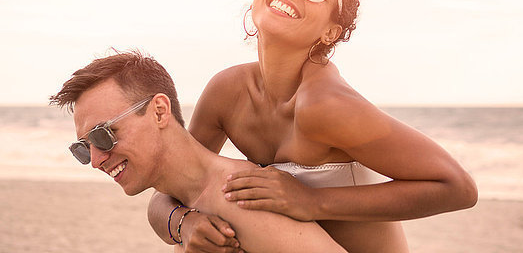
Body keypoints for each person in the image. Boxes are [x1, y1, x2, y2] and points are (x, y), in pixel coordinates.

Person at [148, 0, 478, 252]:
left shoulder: (326, 104)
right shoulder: (227, 92)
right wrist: (184, 225)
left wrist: (311, 201)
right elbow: (167, 191)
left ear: (332, 31)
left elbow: (457, 187)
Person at [49, 51, 348, 253]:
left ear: (159, 111)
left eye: (103, 135)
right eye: (84, 148)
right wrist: (181, 223)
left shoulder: (237, 195)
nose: (97, 159)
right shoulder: (189, 201)